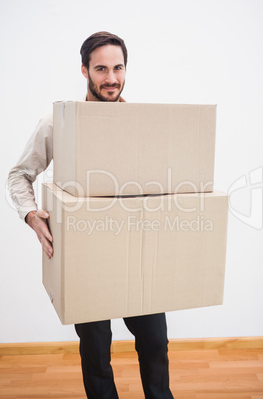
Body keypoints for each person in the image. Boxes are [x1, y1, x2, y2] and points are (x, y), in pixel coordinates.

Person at [8, 31, 174, 399]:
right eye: (101, 69)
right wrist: (31, 215)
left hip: (137, 256)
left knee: (155, 344)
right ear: (84, 70)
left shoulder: (143, 122)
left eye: (118, 68)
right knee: (96, 351)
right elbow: (19, 174)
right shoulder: (58, 121)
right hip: (85, 258)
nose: (111, 78)